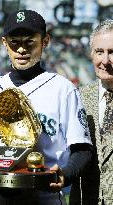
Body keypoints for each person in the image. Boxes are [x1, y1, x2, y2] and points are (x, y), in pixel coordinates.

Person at [0, 9, 93, 205]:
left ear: (45, 41)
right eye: (15, 42)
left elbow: (82, 149)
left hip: (45, 196)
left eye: (30, 42)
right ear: (4, 43)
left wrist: (66, 175)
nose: (21, 49)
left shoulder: (64, 89)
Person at [69, 19, 113, 205]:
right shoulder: (77, 97)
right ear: (91, 54)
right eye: (99, 52)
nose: (105, 61)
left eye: (112, 52)